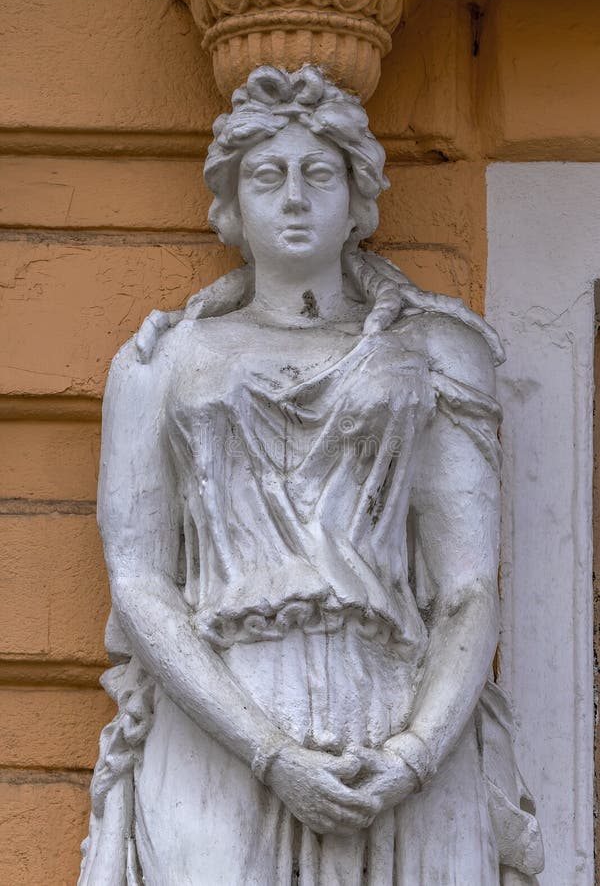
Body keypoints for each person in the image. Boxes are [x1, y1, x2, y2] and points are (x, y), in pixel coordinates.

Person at [79, 66, 543, 885]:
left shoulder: (432, 355)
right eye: (268, 175)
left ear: (358, 201)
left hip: (392, 707)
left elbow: (469, 589)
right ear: (232, 204)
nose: (294, 197)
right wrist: (268, 753)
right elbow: (141, 581)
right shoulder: (160, 363)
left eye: (319, 174)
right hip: (223, 713)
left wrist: (414, 756)